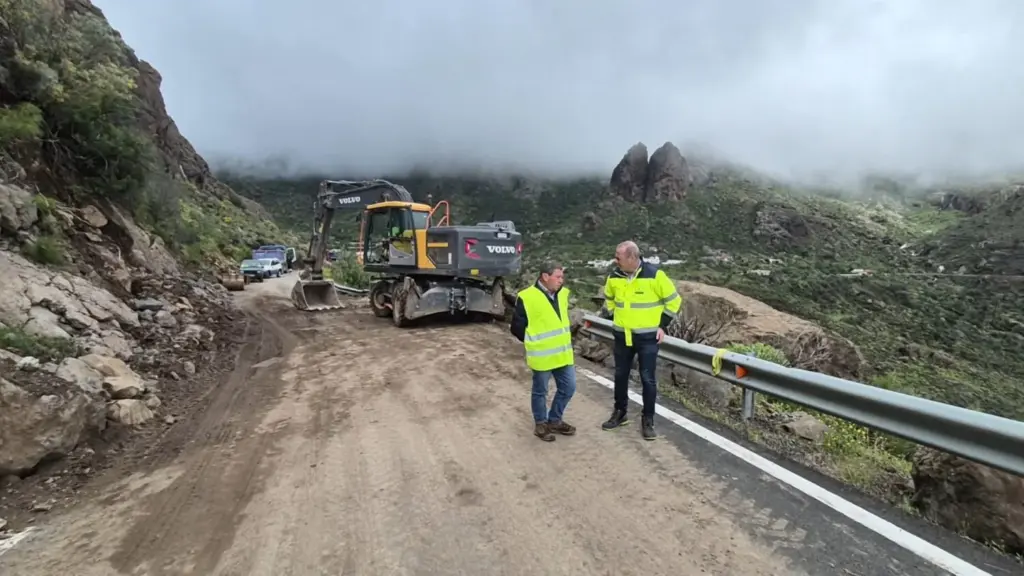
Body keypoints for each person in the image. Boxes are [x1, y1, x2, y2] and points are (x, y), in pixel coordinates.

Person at [601, 241, 682, 440]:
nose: (615, 260)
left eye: (618, 257)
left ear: (632, 257)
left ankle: (648, 419)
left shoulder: (655, 276)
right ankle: (620, 413)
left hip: (647, 339)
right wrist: (613, 316)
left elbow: (674, 301)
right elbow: (608, 298)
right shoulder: (614, 277)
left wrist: (662, 325)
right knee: (620, 375)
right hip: (622, 337)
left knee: (647, 379)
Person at [510, 261, 577, 442]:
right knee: (540, 391)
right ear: (545, 276)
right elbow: (517, 327)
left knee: (569, 387)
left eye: (562, 277)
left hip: (563, 353)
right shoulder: (527, 297)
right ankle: (541, 423)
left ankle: (554, 420)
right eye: (558, 276)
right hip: (542, 356)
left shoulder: (563, 294)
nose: (561, 280)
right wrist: (534, 342)